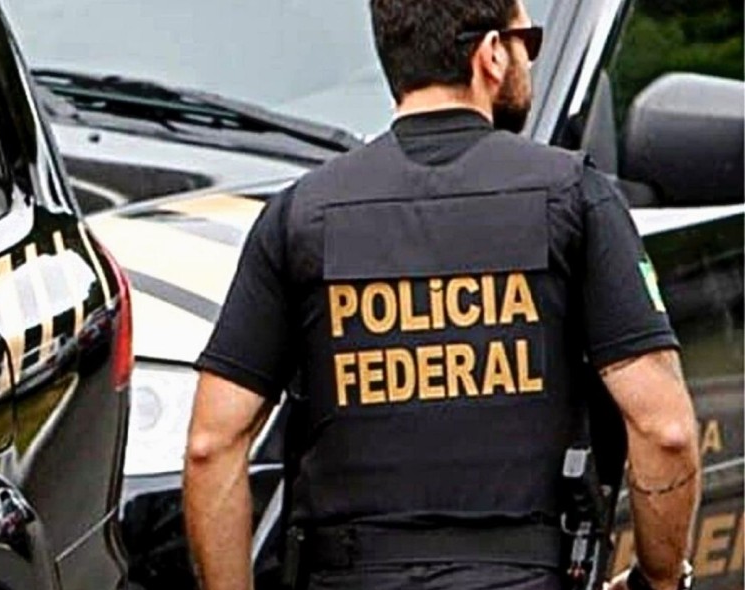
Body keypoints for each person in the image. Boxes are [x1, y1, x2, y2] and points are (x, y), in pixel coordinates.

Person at [182, 0, 701, 589]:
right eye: (526, 43)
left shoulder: (301, 214)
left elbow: (211, 444)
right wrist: (660, 579)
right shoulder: (575, 198)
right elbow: (665, 430)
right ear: (490, 55)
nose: (528, 60)